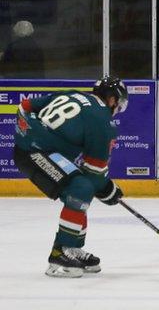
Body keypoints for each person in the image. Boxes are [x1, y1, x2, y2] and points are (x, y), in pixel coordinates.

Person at [13, 76, 128, 278]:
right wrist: (109, 190)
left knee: (81, 188)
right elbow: (96, 170)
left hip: (33, 149)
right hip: (36, 152)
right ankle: (60, 252)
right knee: (82, 188)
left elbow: (24, 106)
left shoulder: (74, 94)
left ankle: (72, 248)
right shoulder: (102, 120)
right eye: (118, 103)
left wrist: (28, 131)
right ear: (112, 99)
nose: (117, 108)